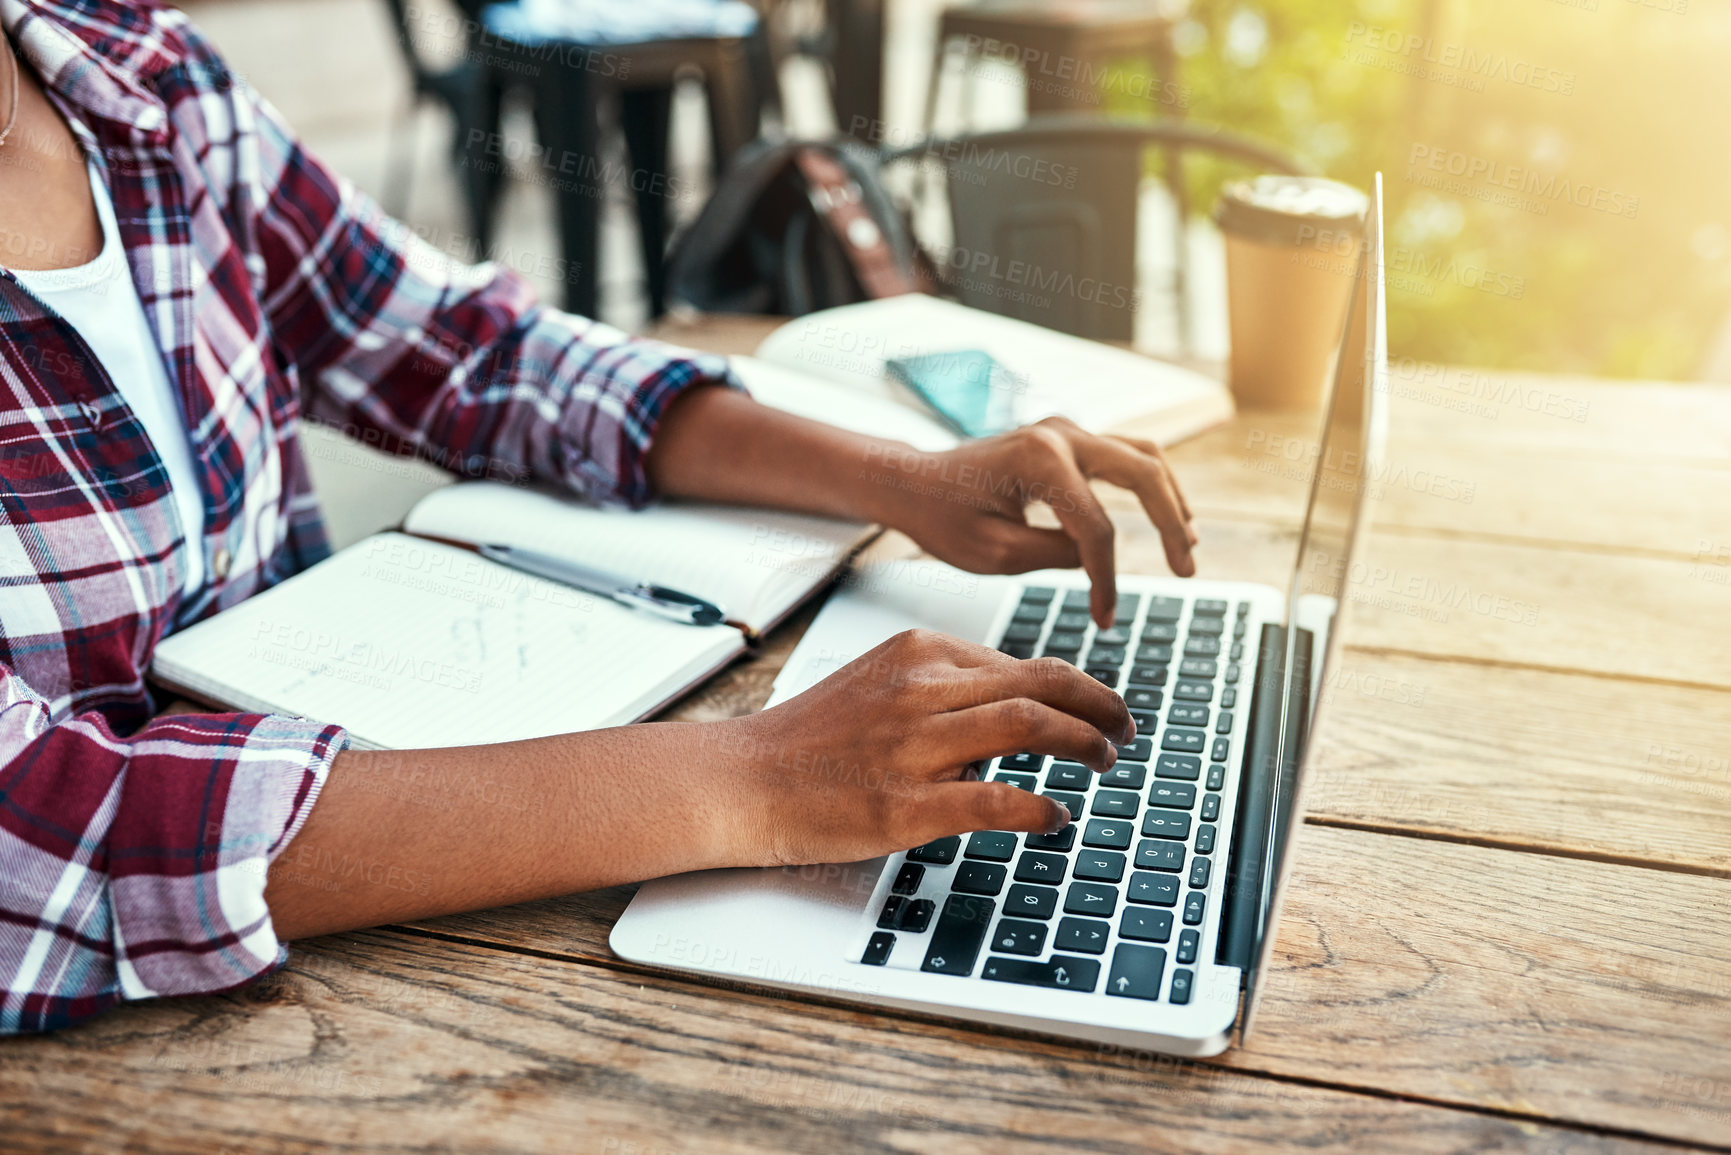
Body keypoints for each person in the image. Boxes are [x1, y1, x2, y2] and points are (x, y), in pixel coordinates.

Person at [0, 0, 1197, 1034]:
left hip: (381, 862)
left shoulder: (134, 74)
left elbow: (471, 351)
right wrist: (754, 780)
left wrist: (901, 478)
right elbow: (38, 839)